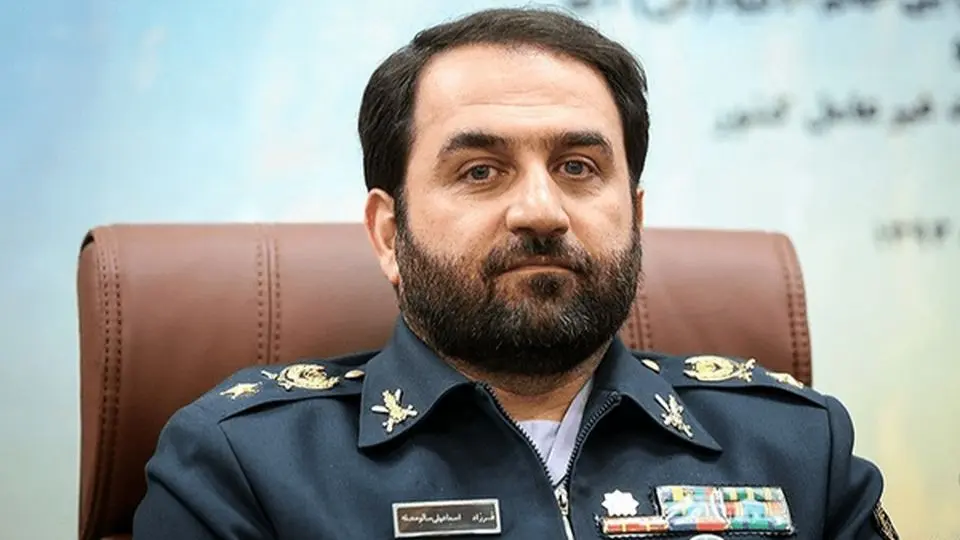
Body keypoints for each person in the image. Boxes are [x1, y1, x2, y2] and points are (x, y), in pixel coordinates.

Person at [132, 7, 898, 539]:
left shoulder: (798, 447)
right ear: (389, 233)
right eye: (480, 171)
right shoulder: (247, 466)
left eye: (577, 166)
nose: (540, 211)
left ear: (635, 216)